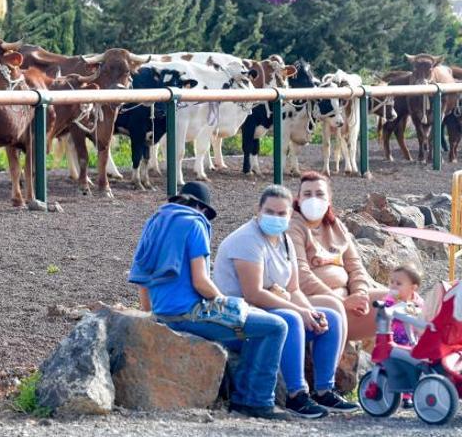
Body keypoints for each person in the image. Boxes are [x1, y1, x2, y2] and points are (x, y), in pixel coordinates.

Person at [130, 182, 291, 421]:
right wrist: (226, 302)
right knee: (275, 326)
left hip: (163, 313)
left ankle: (245, 395)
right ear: (202, 208)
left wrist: (152, 316)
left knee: (254, 328)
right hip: (190, 313)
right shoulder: (195, 223)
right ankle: (255, 401)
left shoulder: (154, 222)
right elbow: (200, 281)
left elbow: (141, 276)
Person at [213, 185, 359, 418]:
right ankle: (296, 395)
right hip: (238, 320)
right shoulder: (246, 240)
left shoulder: (284, 240)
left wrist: (310, 312)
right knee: (292, 319)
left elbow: (293, 288)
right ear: (257, 210)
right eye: (270, 211)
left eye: (282, 214)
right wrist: (298, 311)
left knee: (329, 317)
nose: (276, 217)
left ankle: (324, 390)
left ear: (290, 216)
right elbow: (253, 294)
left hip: (269, 312)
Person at [288, 171, 388, 343]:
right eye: (307, 194)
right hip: (316, 302)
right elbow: (301, 276)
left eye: (319, 194)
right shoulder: (293, 227)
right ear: (299, 199)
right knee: (334, 309)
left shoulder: (336, 227)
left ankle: (406, 364)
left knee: (400, 302)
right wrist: (342, 301)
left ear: (329, 200)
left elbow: (355, 266)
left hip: (348, 298)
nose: (313, 199)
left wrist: (360, 295)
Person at [384, 263, 424, 408]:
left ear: (413, 288)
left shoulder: (417, 300)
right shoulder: (390, 299)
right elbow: (385, 310)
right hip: (394, 338)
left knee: (412, 366)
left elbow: (421, 314)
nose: (393, 286)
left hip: (411, 339)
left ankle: (409, 396)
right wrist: (389, 303)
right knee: (397, 366)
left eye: (399, 283)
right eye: (392, 282)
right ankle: (395, 393)